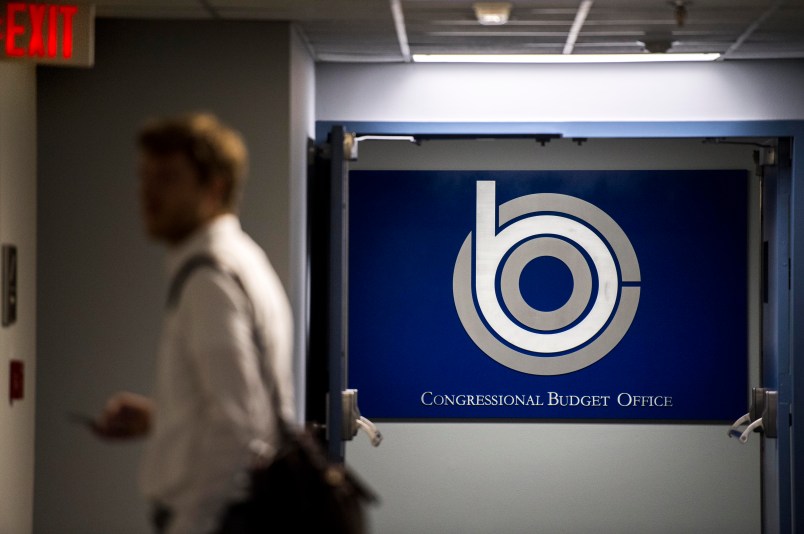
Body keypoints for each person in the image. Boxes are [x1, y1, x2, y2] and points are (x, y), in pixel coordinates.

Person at [93, 112, 295, 534]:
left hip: (219, 520)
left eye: (167, 177)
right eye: (144, 176)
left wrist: (191, 525)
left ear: (213, 188)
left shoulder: (210, 278)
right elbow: (238, 406)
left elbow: (238, 428)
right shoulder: (241, 260)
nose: (147, 192)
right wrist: (164, 417)